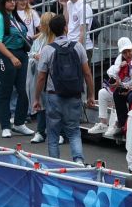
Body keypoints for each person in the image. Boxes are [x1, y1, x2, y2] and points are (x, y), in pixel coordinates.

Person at [33, 11, 92, 164]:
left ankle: (55, 165)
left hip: (54, 95)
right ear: (66, 28)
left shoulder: (47, 50)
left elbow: (41, 78)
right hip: (74, 94)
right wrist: (91, 95)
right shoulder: (78, 47)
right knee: (73, 131)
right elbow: (87, 73)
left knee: (53, 133)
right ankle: (78, 161)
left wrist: (36, 98)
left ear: (51, 30)